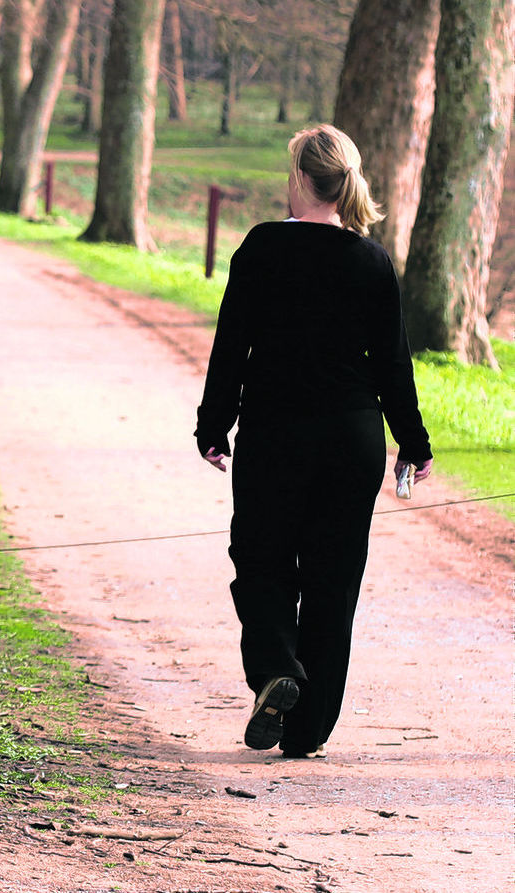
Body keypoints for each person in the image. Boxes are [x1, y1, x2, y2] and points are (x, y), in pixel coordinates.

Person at [194, 124, 434, 759]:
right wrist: (412, 443)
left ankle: (277, 667)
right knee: (333, 579)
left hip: (276, 431)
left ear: (299, 177)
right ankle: (307, 730)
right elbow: (393, 365)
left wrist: (212, 425)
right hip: (352, 439)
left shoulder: (261, 248)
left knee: (261, 559)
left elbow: (231, 347)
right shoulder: (372, 260)